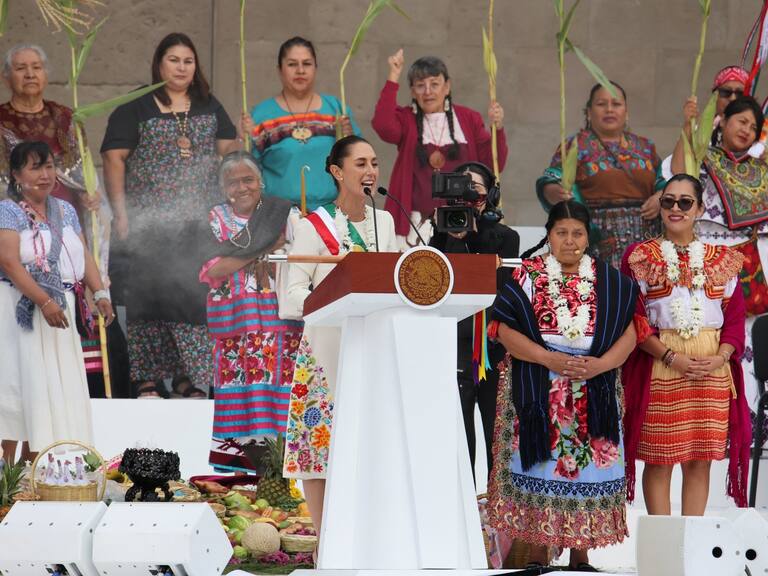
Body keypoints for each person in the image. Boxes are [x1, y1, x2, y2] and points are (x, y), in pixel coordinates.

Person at [486, 200, 638, 571]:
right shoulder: (527, 277)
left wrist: (601, 364)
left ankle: (580, 557)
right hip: (540, 387)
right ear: (548, 236)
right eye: (561, 233)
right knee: (539, 466)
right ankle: (538, 555)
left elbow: (636, 330)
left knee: (586, 468)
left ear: (588, 238)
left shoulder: (612, 282)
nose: (569, 241)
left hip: (593, 388)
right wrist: (546, 358)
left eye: (577, 233)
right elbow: (501, 329)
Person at [101, 32, 238, 395]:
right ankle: (146, 379)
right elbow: (114, 159)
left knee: (192, 299)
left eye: (188, 61)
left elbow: (229, 152)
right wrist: (121, 213)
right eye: (174, 60)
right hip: (150, 225)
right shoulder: (136, 107)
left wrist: (245, 138)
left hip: (197, 224)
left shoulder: (209, 104)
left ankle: (187, 379)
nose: (181, 67)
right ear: (159, 64)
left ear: (196, 67)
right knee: (148, 300)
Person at [279, 135, 398, 543]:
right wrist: (339, 297)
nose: (370, 172)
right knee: (318, 450)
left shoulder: (385, 222)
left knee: (371, 448)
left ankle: (369, 537)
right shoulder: (312, 226)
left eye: (374, 163)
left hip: (372, 350)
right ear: (336, 171)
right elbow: (291, 296)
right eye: (360, 164)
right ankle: (326, 541)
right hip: (325, 351)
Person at [622, 174, 752, 513]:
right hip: (662, 364)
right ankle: (664, 550)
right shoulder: (640, 257)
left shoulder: (723, 258)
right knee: (660, 457)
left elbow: (735, 320)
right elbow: (634, 321)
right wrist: (669, 356)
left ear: (700, 207)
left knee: (700, 460)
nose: (675, 208)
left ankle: (690, 545)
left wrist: (721, 357)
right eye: (668, 201)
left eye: (684, 202)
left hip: (712, 367)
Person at [0, 43, 124, 399]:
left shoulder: (66, 117)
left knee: (71, 294)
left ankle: (73, 390)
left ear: (46, 73)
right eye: (21, 68)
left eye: (36, 67)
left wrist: (90, 194)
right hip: (14, 220)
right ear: (7, 76)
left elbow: (81, 172)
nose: (29, 74)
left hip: (63, 214)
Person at [0, 141, 114, 462]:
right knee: (23, 381)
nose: (45, 174)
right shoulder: (8, 210)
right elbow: (9, 262)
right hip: (21, 308)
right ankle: (8, 469)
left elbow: (83, 254)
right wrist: (44, 301)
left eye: (49, 166)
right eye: (35, 167)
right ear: (16, 175)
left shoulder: (65, 210)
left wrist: (100, 292)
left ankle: (39, 463)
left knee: (54, 384)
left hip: (60, 308)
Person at [200, 151, 303, 473]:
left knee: (279, 389)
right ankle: (245, 472)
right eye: (232, 182)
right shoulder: (213, 219)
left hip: (278, 320)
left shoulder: (283, 213)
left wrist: (274, 251)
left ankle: (283, 473)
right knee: (241, 391)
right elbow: (214, 268)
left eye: (248, 180)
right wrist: (264, 249)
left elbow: (300, 259)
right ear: (222, 188)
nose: (241, 188)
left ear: (261, 182)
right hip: (235, 323)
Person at [670, 95, 768, 421]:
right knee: (706, 331)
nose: (746, 130)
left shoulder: (760, 169)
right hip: (705, 253)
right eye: (741, 121)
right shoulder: (704, 158)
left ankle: (750, 418)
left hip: (745, 258)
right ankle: (705, 415)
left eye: (753, 127)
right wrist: (688, 124)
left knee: (745, 338)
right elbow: (678, 173)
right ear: (723, 121)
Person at [428, 161, 519, 478]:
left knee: (497, 427)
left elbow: (501, 286)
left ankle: (498, 506)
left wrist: (475, 233)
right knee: (457, 425)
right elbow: (431, 280)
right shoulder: (442, 229)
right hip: (454, 341)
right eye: (462, 191)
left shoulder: (506, 236)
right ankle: (461, 500)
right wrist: (448, 235)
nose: (468, 199)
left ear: (491, 193)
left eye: (475, 191)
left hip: (493, 342)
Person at [372, 49, 507, 249]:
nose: (428, 91)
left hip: (463, 220)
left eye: (434, 84)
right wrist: (393, 76)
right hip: (415, 222)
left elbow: (493, 164)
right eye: (420, 85)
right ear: (412, 91)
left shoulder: (469, 119)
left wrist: (498, 128)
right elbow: (383, 125)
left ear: (447, 87)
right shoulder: (407, 118)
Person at [536, 82, 665, 269]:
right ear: (588, 112)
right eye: (601, 104)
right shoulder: (575, 146)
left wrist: (660, 197)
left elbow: (666, 183)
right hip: (599, 242)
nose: (609, 109)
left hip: (646, 240)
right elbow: (552, 180)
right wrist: (556, 192)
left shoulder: (645, 146)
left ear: (626, 111)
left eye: (616, 104)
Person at [245, 37, 359, 212]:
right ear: (279, 70)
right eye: (292, 64)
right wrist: (241, 136)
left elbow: (357, 162)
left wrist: (349, 138)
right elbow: (246, 167)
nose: (300, 70)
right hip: (278, 214)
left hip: (332, 214)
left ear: (315, 68)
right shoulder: (260, 115)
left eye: (307, 64)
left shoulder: (336, 109)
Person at [662, 66, 758, 179]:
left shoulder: (761, 138)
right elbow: (678, 172)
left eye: (740, 93)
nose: (733, 98)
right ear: (715, 96)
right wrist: (688, 123)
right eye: (726, 92)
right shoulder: (699, 131)